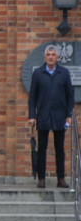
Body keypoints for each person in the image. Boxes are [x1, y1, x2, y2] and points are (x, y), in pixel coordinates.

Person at [28, 45, 74, 188]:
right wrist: (32, 116)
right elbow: (32, 97)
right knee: (42, 148)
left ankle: (61, 178)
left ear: (57, 57)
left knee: (59, 148)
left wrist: (68, 115)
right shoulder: (38, 73)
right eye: (48, 54)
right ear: (44, 57)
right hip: (43, 115)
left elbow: (69, 96)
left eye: (53, 54)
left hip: (60, 116)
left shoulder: (64, 73)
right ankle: (41, 178)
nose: (50, 57)